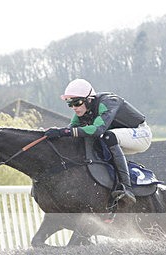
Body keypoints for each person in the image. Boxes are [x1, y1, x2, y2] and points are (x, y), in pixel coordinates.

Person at [45, 78, 152, 206]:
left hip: (141, 135)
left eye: (77, 103)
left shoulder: (108, 101)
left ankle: (127, 189)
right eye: (70, 104)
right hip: (120, 139)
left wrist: (62, 132)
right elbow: (70, 131)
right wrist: (52, 134)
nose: (74, 107)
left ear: (89, 99)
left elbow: (97, 129)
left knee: (107, 136)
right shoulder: (82, 110)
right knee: (90, 142)